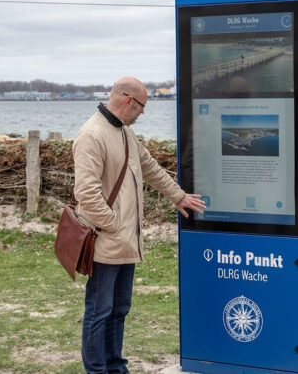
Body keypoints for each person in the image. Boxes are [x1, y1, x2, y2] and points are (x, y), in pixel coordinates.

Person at [73, 76, 205, 374]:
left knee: (119, 310)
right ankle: (97, 370)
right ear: (128, 100)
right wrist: (116, 226)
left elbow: (150, 168)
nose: (143, 113)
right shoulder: (92, 135)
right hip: (107, 240)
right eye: (142, 106)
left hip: (125, 241)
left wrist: (179, 196)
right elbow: (87, 194)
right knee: (99, 311)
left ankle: (115, 366)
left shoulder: (124, 132)